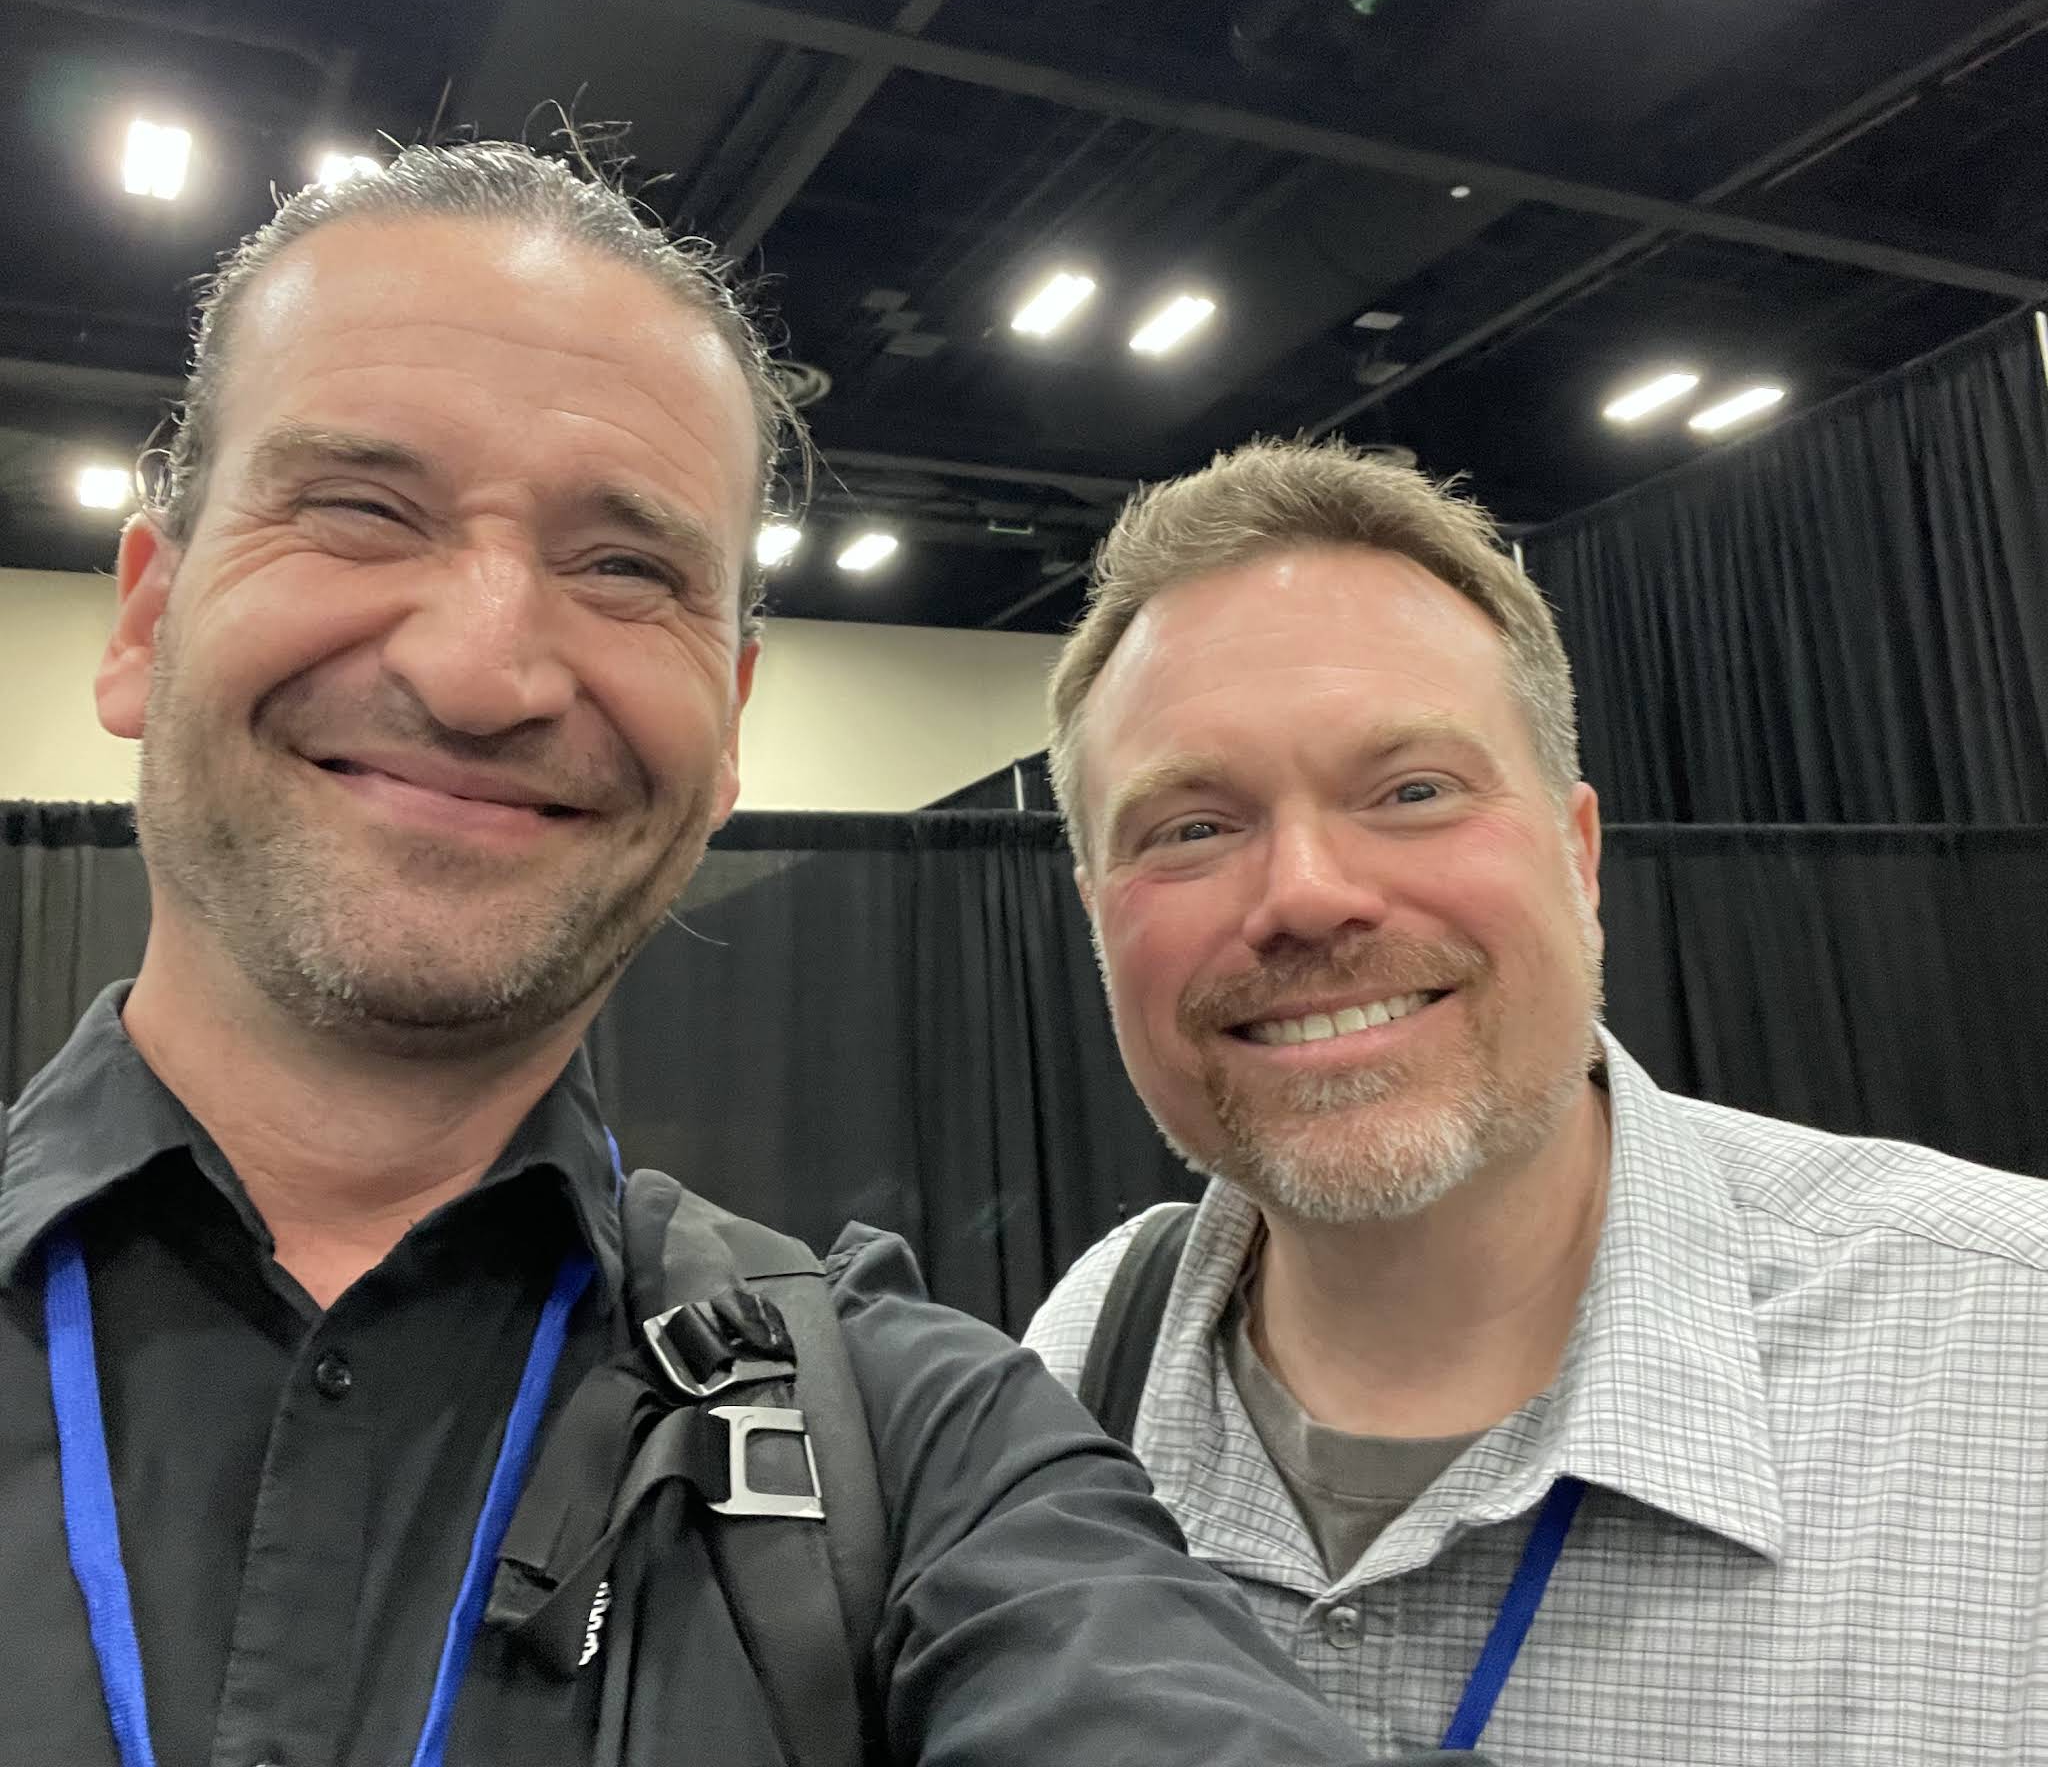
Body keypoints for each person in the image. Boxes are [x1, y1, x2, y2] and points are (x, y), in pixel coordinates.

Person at [4, 146, 1473, 1767]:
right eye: (361, 511)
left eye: (627, 569)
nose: (485, 670)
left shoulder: (919, 1444)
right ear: (143, 624)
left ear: (727, 739)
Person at [1025, 436, 2048, 1765]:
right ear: (1098, 920)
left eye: (1413, 791)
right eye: (1193, 828)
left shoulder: (2009, 1353)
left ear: (1580, 856)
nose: (1307, 896)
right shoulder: (1081, 1362)